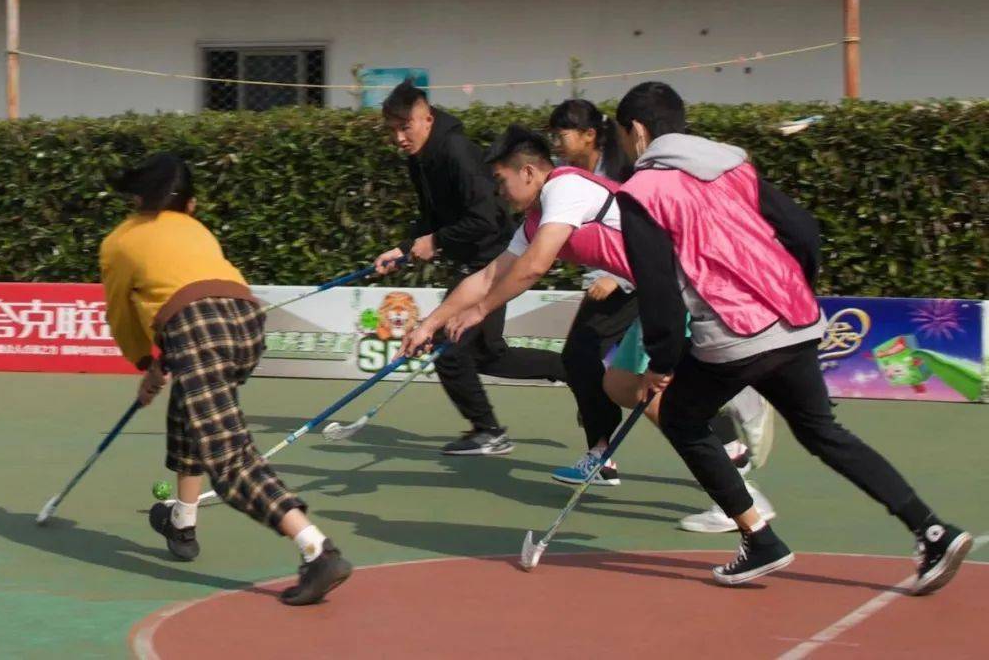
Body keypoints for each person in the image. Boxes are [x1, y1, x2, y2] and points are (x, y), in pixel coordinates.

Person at [614, 81, 971, 590]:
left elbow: (657, 294)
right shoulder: (733, 164)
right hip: (795, 316)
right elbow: (803, 229)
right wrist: (789, 288)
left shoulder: (642, 191)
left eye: (623, 136)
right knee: (823, 431)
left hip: (732, 334)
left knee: (680, 417)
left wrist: (662, 364)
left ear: (637, 131)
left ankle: (759, 540)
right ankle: (932, 531)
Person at [399, 125, 774, 530]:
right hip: (654, 294)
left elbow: (534, 268)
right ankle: (733, 449)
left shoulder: (565, 187)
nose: (499, 191)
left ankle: (740, 493)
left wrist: (478, 312)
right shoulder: (535, 219)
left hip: (685, 286)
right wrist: (428, 325)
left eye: (500, 179)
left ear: (527, 172)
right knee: (620, 386)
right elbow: (489, 276)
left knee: (659, 400)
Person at [101, 152, 351, 606]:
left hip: (195, 328)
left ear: (138, 198)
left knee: (231, 462)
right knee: (190, 411)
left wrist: (142, 361)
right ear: (190, 203)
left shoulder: (119, 241)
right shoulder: (196, 228)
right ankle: (182, 520)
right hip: (245, 321)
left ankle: (318, 551)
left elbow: (121, 312)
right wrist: (160, 366)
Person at [373, 80, 566, 456]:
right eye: (391, 129)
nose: (398, 137)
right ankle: (574, 370)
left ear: (426, 119)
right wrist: (404, 247)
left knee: (449, 351)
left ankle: (489, 432)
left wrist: (437, 241)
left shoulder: (456, 151)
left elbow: (486, 219)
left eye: (405, 126)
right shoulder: (420, 157)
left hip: (491, 262)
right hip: (476, 262)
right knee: (488, 355)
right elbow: (431, 215)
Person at [546, 99, 636, 486]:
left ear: (589, 135)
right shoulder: (572, 175)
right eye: (552, 135)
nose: (555, 143)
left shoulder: (622, 173)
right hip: (607, 282)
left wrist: (619, 278)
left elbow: (645, 230)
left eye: (561, 134)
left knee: (580, 356)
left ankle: (602, 452)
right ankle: (601, 451)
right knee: (583, 360)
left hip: (631, 282)